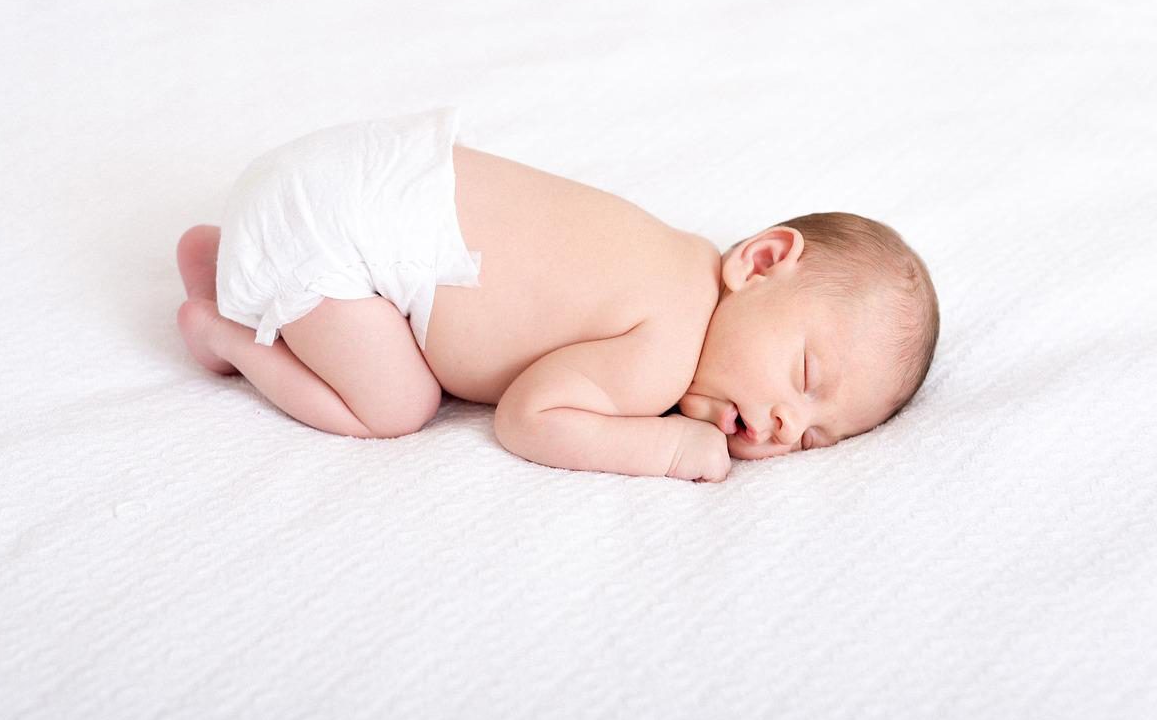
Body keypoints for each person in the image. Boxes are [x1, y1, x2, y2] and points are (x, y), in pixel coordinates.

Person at [175, 106, 939, 482]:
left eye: (810, 438)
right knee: (395, 407)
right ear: (762, 260)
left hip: (347, 176)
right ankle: (230, 333)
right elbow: (529, 418)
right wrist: (670, 448)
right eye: (806, 378)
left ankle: (232, 254)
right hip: (334, 229)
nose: (783, 422)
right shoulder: (666, 348)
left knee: (377, 330)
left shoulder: (671, 256)